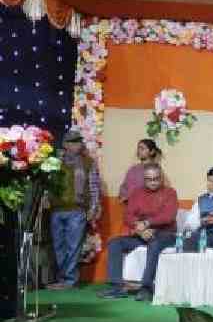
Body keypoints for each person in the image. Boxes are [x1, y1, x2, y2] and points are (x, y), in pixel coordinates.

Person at [101, 164, 178, 302]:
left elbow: (168, 216)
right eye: (149, 179)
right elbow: (128, 215)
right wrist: (139, 228)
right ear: (144, 179)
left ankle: (146, 288)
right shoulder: (137, 193)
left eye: (156, 179)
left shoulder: (170, 193)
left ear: (162, 178)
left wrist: (147, 223)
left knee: (153, 243)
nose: (153, 182)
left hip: (166, 235)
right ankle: (116, 287)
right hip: (142, 233)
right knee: (115, 243)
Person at [47, 129, 101, 290]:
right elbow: (47, 184)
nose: (77, 144)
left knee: (73, 246)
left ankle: (69, 280)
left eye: (79, 141)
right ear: (65, 144)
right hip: (56, 209)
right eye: (73, 141)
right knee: (58, 246)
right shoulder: (54, 162)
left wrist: (93, 208)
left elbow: (94, 188)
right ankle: (62, 278)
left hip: (77, 210)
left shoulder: (88, 162)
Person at [118, 139, 165, 204]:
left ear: (152, 151)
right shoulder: (133, 169)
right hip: (131, 207)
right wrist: (123, 196)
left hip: (147, 207)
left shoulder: (156, 169)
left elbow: (158, 190)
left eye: (142, 148)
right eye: (138, 148)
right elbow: (124, 186)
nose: (139, 151)